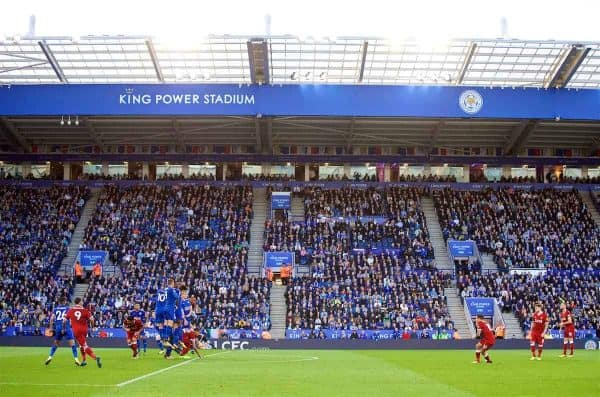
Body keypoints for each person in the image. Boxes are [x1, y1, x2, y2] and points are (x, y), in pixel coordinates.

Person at [44, 296, 81, 366]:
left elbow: (51, 319)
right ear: (64, 301)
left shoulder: (55, 309)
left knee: (56, 344)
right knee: (73, 344)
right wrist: (64, 328)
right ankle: (76, 359)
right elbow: (66, 319)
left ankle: (50, 357)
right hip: (66, 327)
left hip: (57, 328)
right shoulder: (67, 308)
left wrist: (51, 328)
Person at [66, 297, 102, 368]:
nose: (83, 302)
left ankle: (95, 357)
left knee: (84, 345)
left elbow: (65, 320)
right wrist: (92, 326)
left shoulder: (71, 310)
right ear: (79, 302)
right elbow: (92, 319)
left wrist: (64, 327)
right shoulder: (85, 310)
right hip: (84, 330)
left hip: (76, 330)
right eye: (82, 301)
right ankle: (84, 360)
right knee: (81, 345)